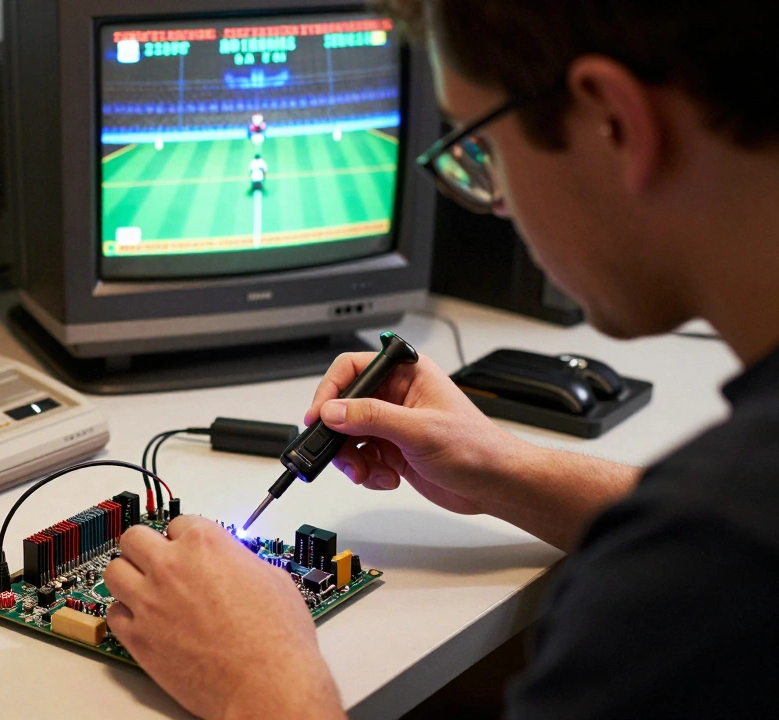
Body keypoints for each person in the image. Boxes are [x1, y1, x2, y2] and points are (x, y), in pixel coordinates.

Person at [103, 1, 779, 718]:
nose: (494, 204)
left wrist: (255, 678)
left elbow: (716, 543)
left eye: (483, 149)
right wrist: (503, 469)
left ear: (613, 117)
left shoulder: (717, 567)